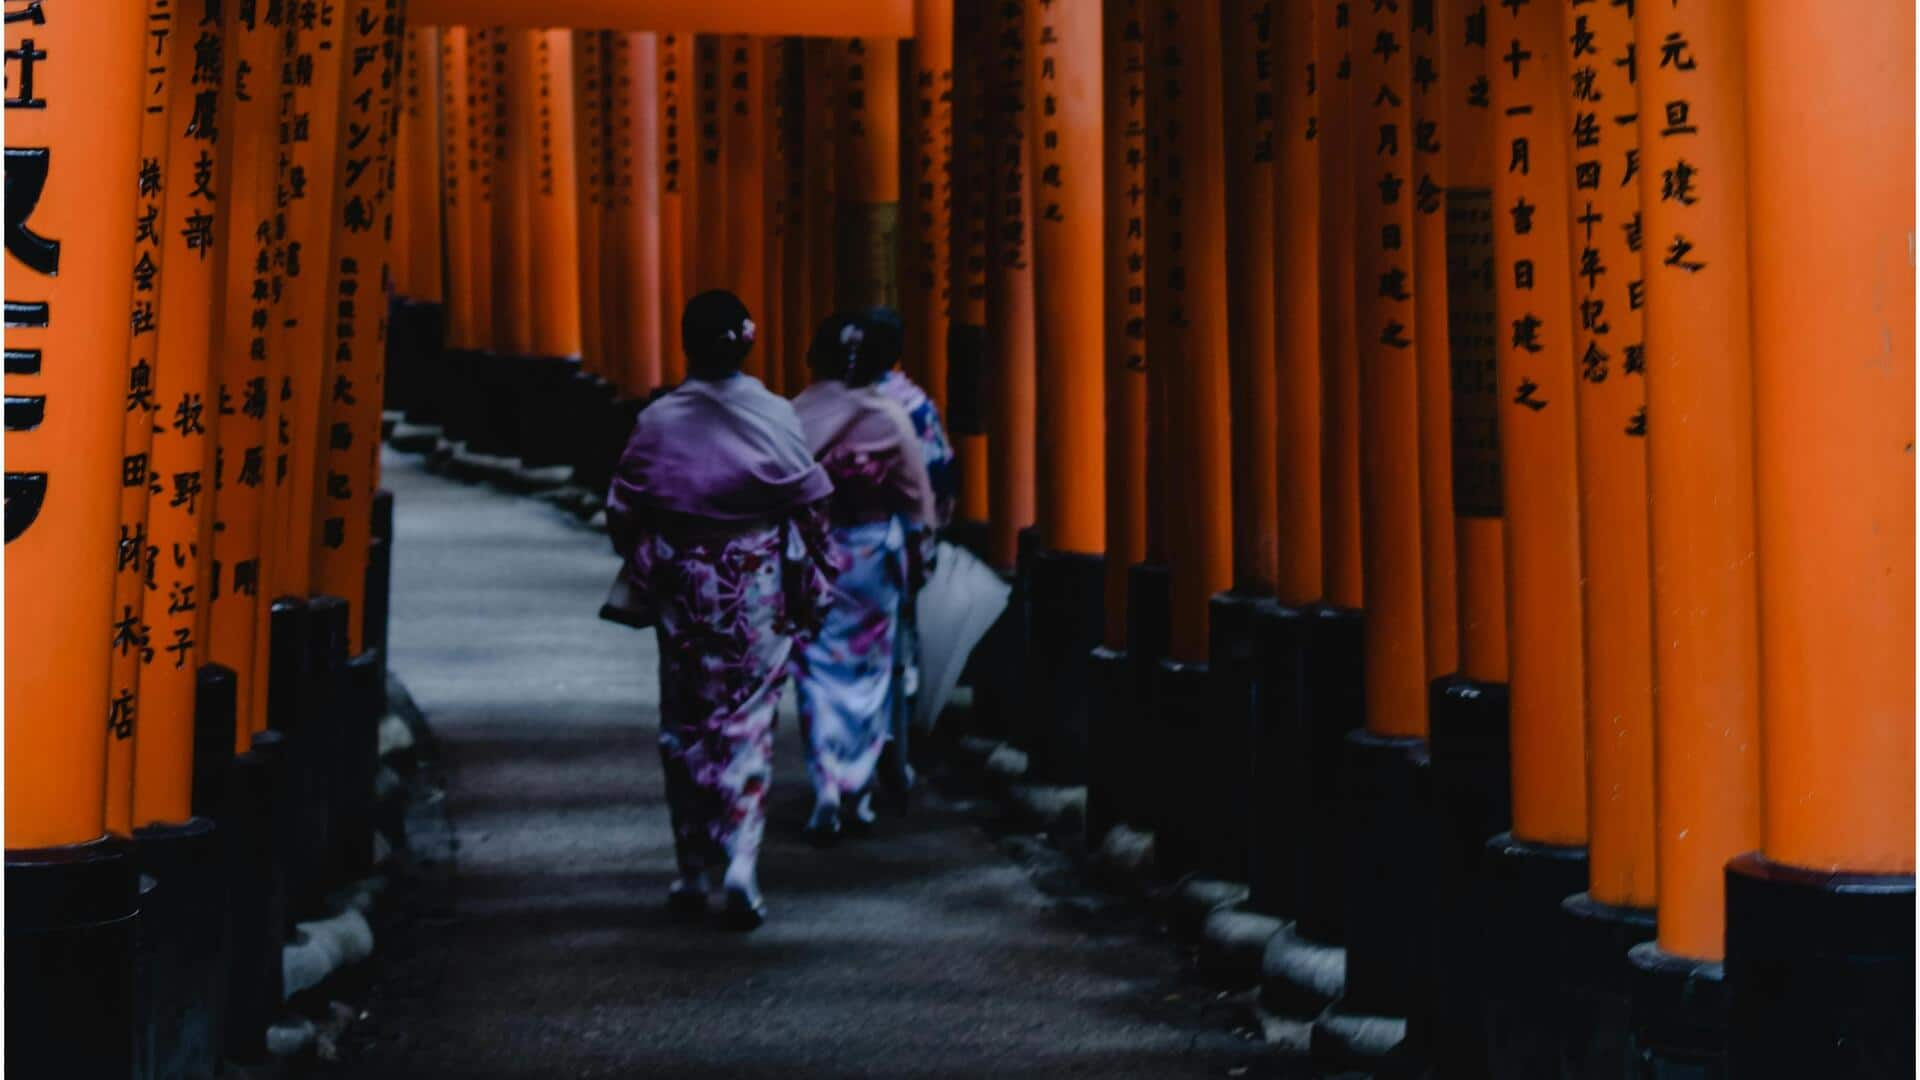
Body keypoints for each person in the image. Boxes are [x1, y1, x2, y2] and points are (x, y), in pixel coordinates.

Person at [605, 290, 839, 931]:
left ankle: (691, 870)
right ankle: (741, 858)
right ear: (747, 341)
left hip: (685, 581)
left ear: (685, 343)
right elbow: (811, 500)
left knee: (685, 718)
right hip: (755, 582)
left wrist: (651, 552)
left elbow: (624, 505)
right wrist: (816, 571)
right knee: (748, 716)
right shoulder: (773, 413)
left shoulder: (658, 420)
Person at [790, 313, 938, 846]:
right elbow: (918, 497)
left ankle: (826, 780)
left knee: (813, 671)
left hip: (815, 553)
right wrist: (922, 558)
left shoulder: (796, 415)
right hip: (873, 554)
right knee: (870, 674)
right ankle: (857, 785)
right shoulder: (891, 415)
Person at [857, 307, 956, 806]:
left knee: (844, 654)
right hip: (897, 538)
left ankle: (848, 753)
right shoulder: (914, 404)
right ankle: (894, 751)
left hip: (842, 541)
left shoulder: (837, 402)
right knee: (898, 648)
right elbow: (938, 474)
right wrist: (931, 528)